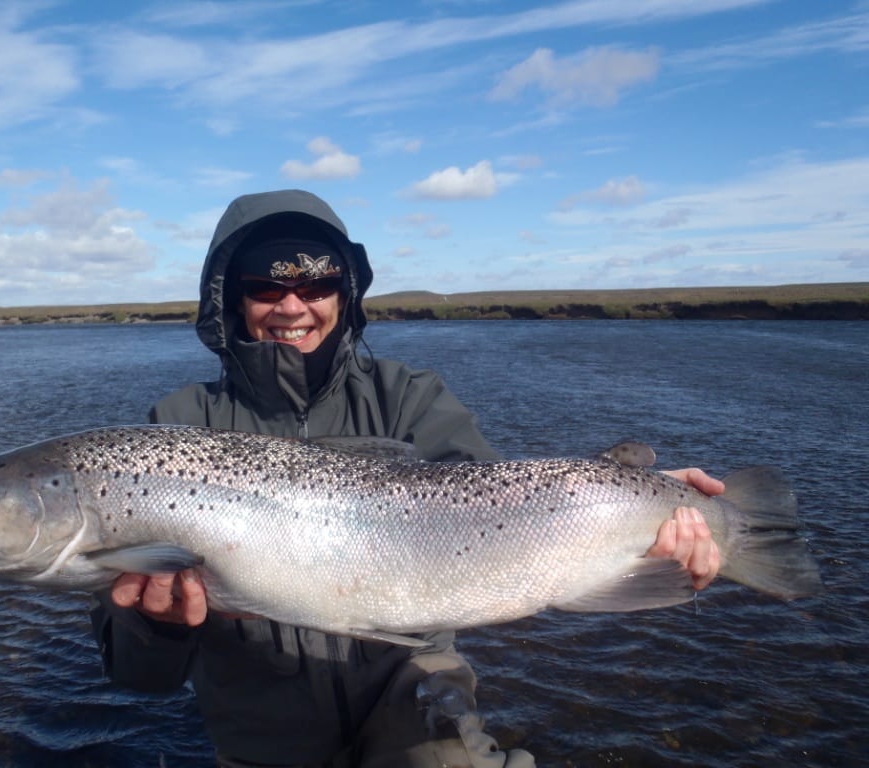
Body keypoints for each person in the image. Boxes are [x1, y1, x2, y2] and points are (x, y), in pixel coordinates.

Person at [90, 189, 724, 767]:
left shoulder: (411, 397)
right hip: (262, 730)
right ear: (231, 299)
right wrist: (156, 625)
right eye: (265, 285)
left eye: (316, 282)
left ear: (345, 293)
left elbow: (508, 510)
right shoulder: (176, 429)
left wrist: (633, 510)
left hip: (414, 691)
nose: (291, 305)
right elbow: (139, 676)